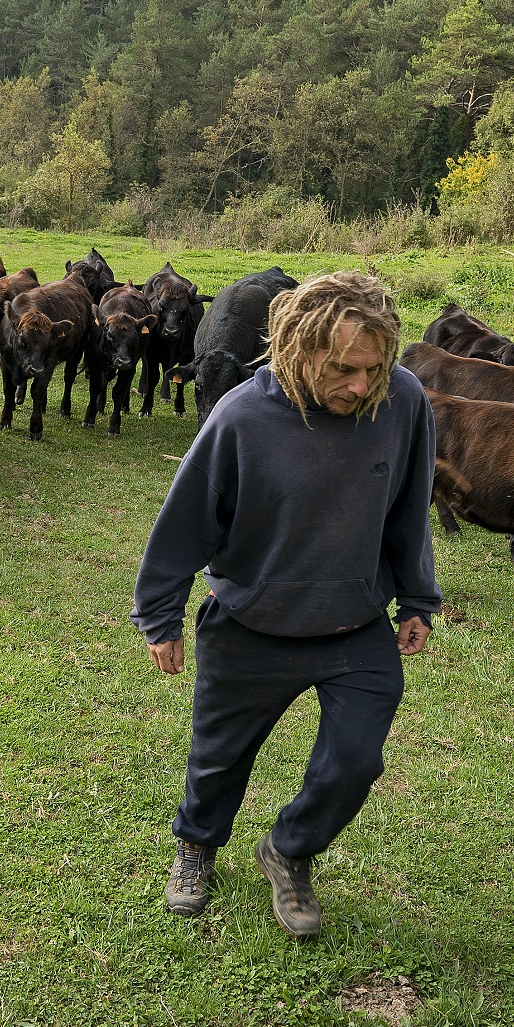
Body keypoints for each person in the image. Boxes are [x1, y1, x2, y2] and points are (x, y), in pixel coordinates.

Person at [129, 270, 439, 938]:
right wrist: (161, 614)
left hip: (355, 622)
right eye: (344, 369)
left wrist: (417, 597)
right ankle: (196, 848)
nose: (362, 385)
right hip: (250, 623)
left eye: (374, 367)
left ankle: (289, 851)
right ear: (298, 350)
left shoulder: (402, 400)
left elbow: (411, 506)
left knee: (356, 760)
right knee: (218, 758)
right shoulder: (241, 416)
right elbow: (184, 522)